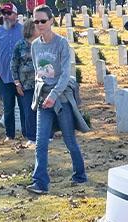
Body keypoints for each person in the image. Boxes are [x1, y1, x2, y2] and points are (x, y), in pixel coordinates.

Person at [26, 4, 88, 195]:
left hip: (61, 99)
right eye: (36, 21)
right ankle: (40, 182)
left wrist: (54, 96)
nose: (39, 24)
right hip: (44, 99)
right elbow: (38, 72)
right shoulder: (35, 45)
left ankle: (80, 174)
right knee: (41, 141)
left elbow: (65, 75)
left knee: (69, 140)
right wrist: (42, 91)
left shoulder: (61, 43)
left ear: (51, 21)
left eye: (43, 21)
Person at [0, 3, 24, 140]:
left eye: (9, 13)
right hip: (4, 78)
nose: (6, 16)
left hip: (21, 78)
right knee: (8, 109)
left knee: (24, 107)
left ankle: (27, 134)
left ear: (16, 15)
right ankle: (10, 135)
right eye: (4, 13)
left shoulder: (24, 30)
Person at [11, 18, 39, 145]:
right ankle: (32, 137)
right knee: (29, 111)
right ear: (30, 29)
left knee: (43, 110)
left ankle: (46, 134)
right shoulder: (20, 45)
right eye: (36, 27)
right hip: (26, 84)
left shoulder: (41, 43)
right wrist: (17, 83)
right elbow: (14, 65)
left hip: (41, 83)